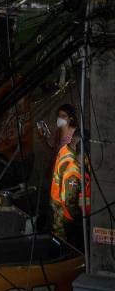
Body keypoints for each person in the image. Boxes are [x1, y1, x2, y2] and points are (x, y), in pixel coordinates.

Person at [50, 105, 90, 250]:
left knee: (60, 236)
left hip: (59, 201)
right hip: (66, 209)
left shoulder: (67, 149)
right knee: (65, 241)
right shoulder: (73, 170)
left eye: (63, 116)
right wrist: (81, 221)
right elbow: (70, 202)